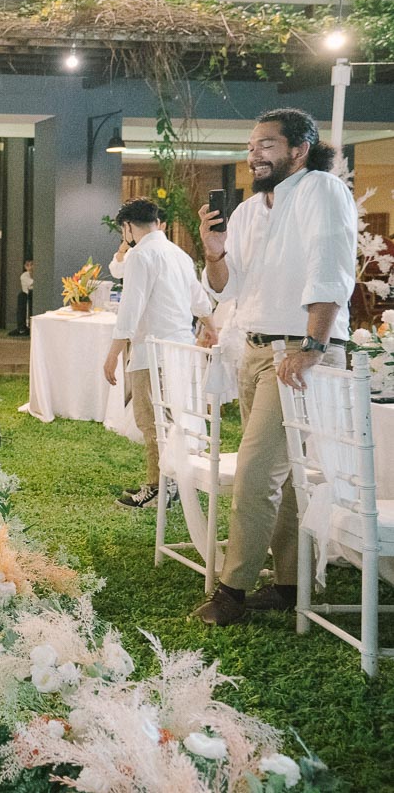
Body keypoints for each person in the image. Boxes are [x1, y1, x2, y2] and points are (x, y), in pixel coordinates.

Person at [192, 108, 355, 626]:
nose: (254, 154)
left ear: (299, 150)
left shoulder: (321, 191)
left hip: (299, 351)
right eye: (250, 146)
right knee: (280, 478)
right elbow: (227, 288)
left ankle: (232, 591)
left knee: (255, 472)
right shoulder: (246, 212)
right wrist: (213, 253)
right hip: (256, 349)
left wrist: (312, 346)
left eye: (266, 145)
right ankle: (290, 583)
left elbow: (331, 268)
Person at [102, 199, 216, 509]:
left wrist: (113, 354)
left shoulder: (141, 255)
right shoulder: (178, 254)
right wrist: (212, 328)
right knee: (174, 419)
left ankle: (158, 488)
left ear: (128, 227)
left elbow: (130, 309)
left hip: (152, 352)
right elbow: (199, 298)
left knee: (152, 422)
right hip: (181, 350)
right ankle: (171, 483)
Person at [9, 258, 34, 336]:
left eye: (32, 264)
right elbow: (33, 283)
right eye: (27, 265)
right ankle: (22, 329)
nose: (30, 267)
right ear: (25, 267)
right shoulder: (24, 275)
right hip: (26, 296)